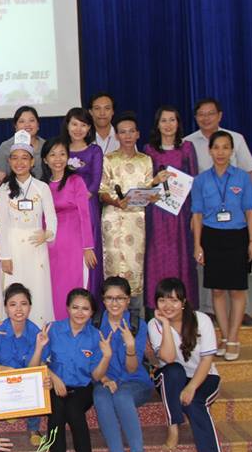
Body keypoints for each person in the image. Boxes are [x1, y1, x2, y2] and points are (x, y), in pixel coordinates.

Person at [148, 278, 232, 452]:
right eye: (162, 300)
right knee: (173, 370)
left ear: (184, 302)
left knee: (195, 404)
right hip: (171, 378)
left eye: (174, 300)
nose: (168, 306)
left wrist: (192, 387)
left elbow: (207, 360)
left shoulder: (201, 320)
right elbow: (168, 358)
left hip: (204, 376)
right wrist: (165, 325)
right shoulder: (154, 324)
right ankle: (173, 428)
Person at [191, 131, 252, 362]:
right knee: (217, 290)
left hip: (237, 237)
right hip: (212, 237)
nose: (220, 152)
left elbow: (250, 211)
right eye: (216, 147)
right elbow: (197, 214)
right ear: (209, 151)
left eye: (225, 147)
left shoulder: (242, 178)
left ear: (232, 151)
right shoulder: (201, 180)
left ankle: (233, 337)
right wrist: (197, 245)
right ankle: (223, 335)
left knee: (237, 290)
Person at [30, 288, 112, 452]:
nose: (80, 313)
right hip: (54, 386)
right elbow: (37, 364)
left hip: (82, 388)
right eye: (75, 307)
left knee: (74, 409)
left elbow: (96, 375)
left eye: (85, 309)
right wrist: (54, 377)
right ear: (67, 308)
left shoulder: (95, 336)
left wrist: (107, 356)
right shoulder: (53, 329)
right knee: (57, 412)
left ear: (92, 312)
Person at [98, 112, 166, 311]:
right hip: (112, 218)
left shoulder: (146, 160)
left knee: (135, 266)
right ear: (117, 135)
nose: (127, 136)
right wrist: (116, 201)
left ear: (138, 134)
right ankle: (111, 313)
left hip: (137, 220)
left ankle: (135, 316)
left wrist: (153, 193)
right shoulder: (108, 159)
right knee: (112, 266)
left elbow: (148, 188)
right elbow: (102, 191)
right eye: (122, 132)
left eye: (131, 131)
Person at [93, 277, 154, 452]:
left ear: (128, 300)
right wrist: (104, 379)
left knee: (121, 396)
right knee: (100, 397)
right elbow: (92, 364)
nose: (114, 303)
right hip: (106, 379)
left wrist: (130, 345)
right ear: (103, 300)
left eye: (120, 298)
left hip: (135, 382)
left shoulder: (137, 324)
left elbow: (132, 368)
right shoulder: (95, 324)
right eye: (109, 298)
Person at [0, 131, 57, 326]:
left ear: (32, 162)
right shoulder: (4, 189)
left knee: (37, 289)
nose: (19, 162)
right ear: (9, 161)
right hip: (13, 246)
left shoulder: (42, 187)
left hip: (36, 245)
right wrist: (5, 256)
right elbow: (2, 225)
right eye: (14, 158)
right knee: (13, 288)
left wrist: (48, 234)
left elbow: (52, 218)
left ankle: (39, 330)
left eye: (24, 158)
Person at [0, 283, 43, 445]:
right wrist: (5, 370)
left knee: (39, 380)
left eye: (23, 304)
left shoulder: (36, 333)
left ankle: (33, 427)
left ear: (30, 307)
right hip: (2, 376)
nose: (18, 309)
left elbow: (33, 368)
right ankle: (9, 410)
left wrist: (39, 347)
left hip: (25, 379)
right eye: (13, 304)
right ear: (5, 308)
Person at [144, 106, 199, 310]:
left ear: (178, 123)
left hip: (181, 213)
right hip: (157, 212)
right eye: (163, 120)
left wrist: (194, 214)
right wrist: (155, 180)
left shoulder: (187, 148)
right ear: (157, 124)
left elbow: (194, 181)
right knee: (157, 256)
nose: (168, 125)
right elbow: (145, 183)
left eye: (172, 120)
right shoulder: (149, 149)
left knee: (181, 256)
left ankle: (184, 306)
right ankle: (156, 306)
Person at [42, 137, 96, 320]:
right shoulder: (42, 186)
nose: (58, 159)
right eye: (53, 155)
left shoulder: (75, 181)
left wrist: (88, 246)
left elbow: (85, 215)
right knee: (53, 288)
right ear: (45, 159)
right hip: (50, 247)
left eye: (62, 154)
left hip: (74, 245)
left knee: (74, 287)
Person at [62, 107, 104, 296]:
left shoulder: (95, 151)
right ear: (67, 125)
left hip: (87, 207)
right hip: (63, 211)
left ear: (89, 128)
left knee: (89, 252)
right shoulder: (60, 149)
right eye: (74, 124)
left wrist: (77, 200)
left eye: (84, 125)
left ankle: (91, 297)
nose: (78, 129)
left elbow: (94, 184)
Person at [183, 97, 252, 175]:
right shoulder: (187, 142)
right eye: (201, 114)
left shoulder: (236, 138)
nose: (206, 118)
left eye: (211, 113)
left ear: (220, 116)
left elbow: (247, 171)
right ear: (195, 118)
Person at [0, 106, 44, 182]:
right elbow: (0, 179)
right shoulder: (5, 147)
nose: (27, 124)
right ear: (15, 126)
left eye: (31, 120)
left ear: (38, 125)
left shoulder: (46, 146)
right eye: (22, 121)